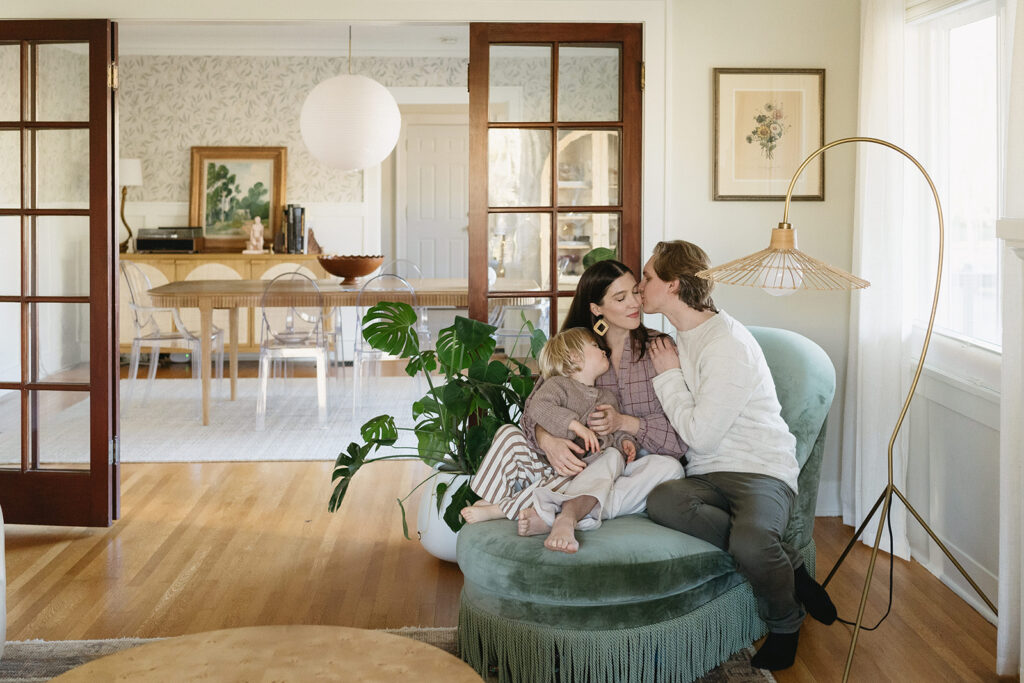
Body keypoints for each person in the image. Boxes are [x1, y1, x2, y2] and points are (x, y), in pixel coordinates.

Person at [637, 240, 836, 671]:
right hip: (708, 473)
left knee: (749, 541)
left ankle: (785, 624)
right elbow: (699, 446)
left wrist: (668, 376)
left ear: (672, 285)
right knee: (662, 500)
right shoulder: (677, 339)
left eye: (648, 277)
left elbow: (701, 434)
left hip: (759, 470)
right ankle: (789, 563)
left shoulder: (724, 343)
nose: (640, 285)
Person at [463, 259, 687, 552]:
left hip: (626, 465)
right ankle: (564, 508)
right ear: (596, 308)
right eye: (620, 298)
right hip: (573, 468)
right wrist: (548, 440)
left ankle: (564, 513)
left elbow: (679, 438)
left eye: (634, 292)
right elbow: (535, 410)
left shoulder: (660, 348)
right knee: (525, 442)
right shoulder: (575, 349)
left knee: (670, 469)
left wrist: (623, 423)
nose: (635, 303)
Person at [464, 327, 640, 550]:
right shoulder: (558, 385)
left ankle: (499, 509)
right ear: (575, 357)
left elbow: (613, 432)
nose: (602, 349)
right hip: (538, 460)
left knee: (569, 485)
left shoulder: (607, 398)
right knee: (508, 433)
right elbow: (539, 407)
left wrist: (626, 441)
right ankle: (491, 496)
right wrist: (575, 425)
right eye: (595, 346)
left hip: (567, 474)